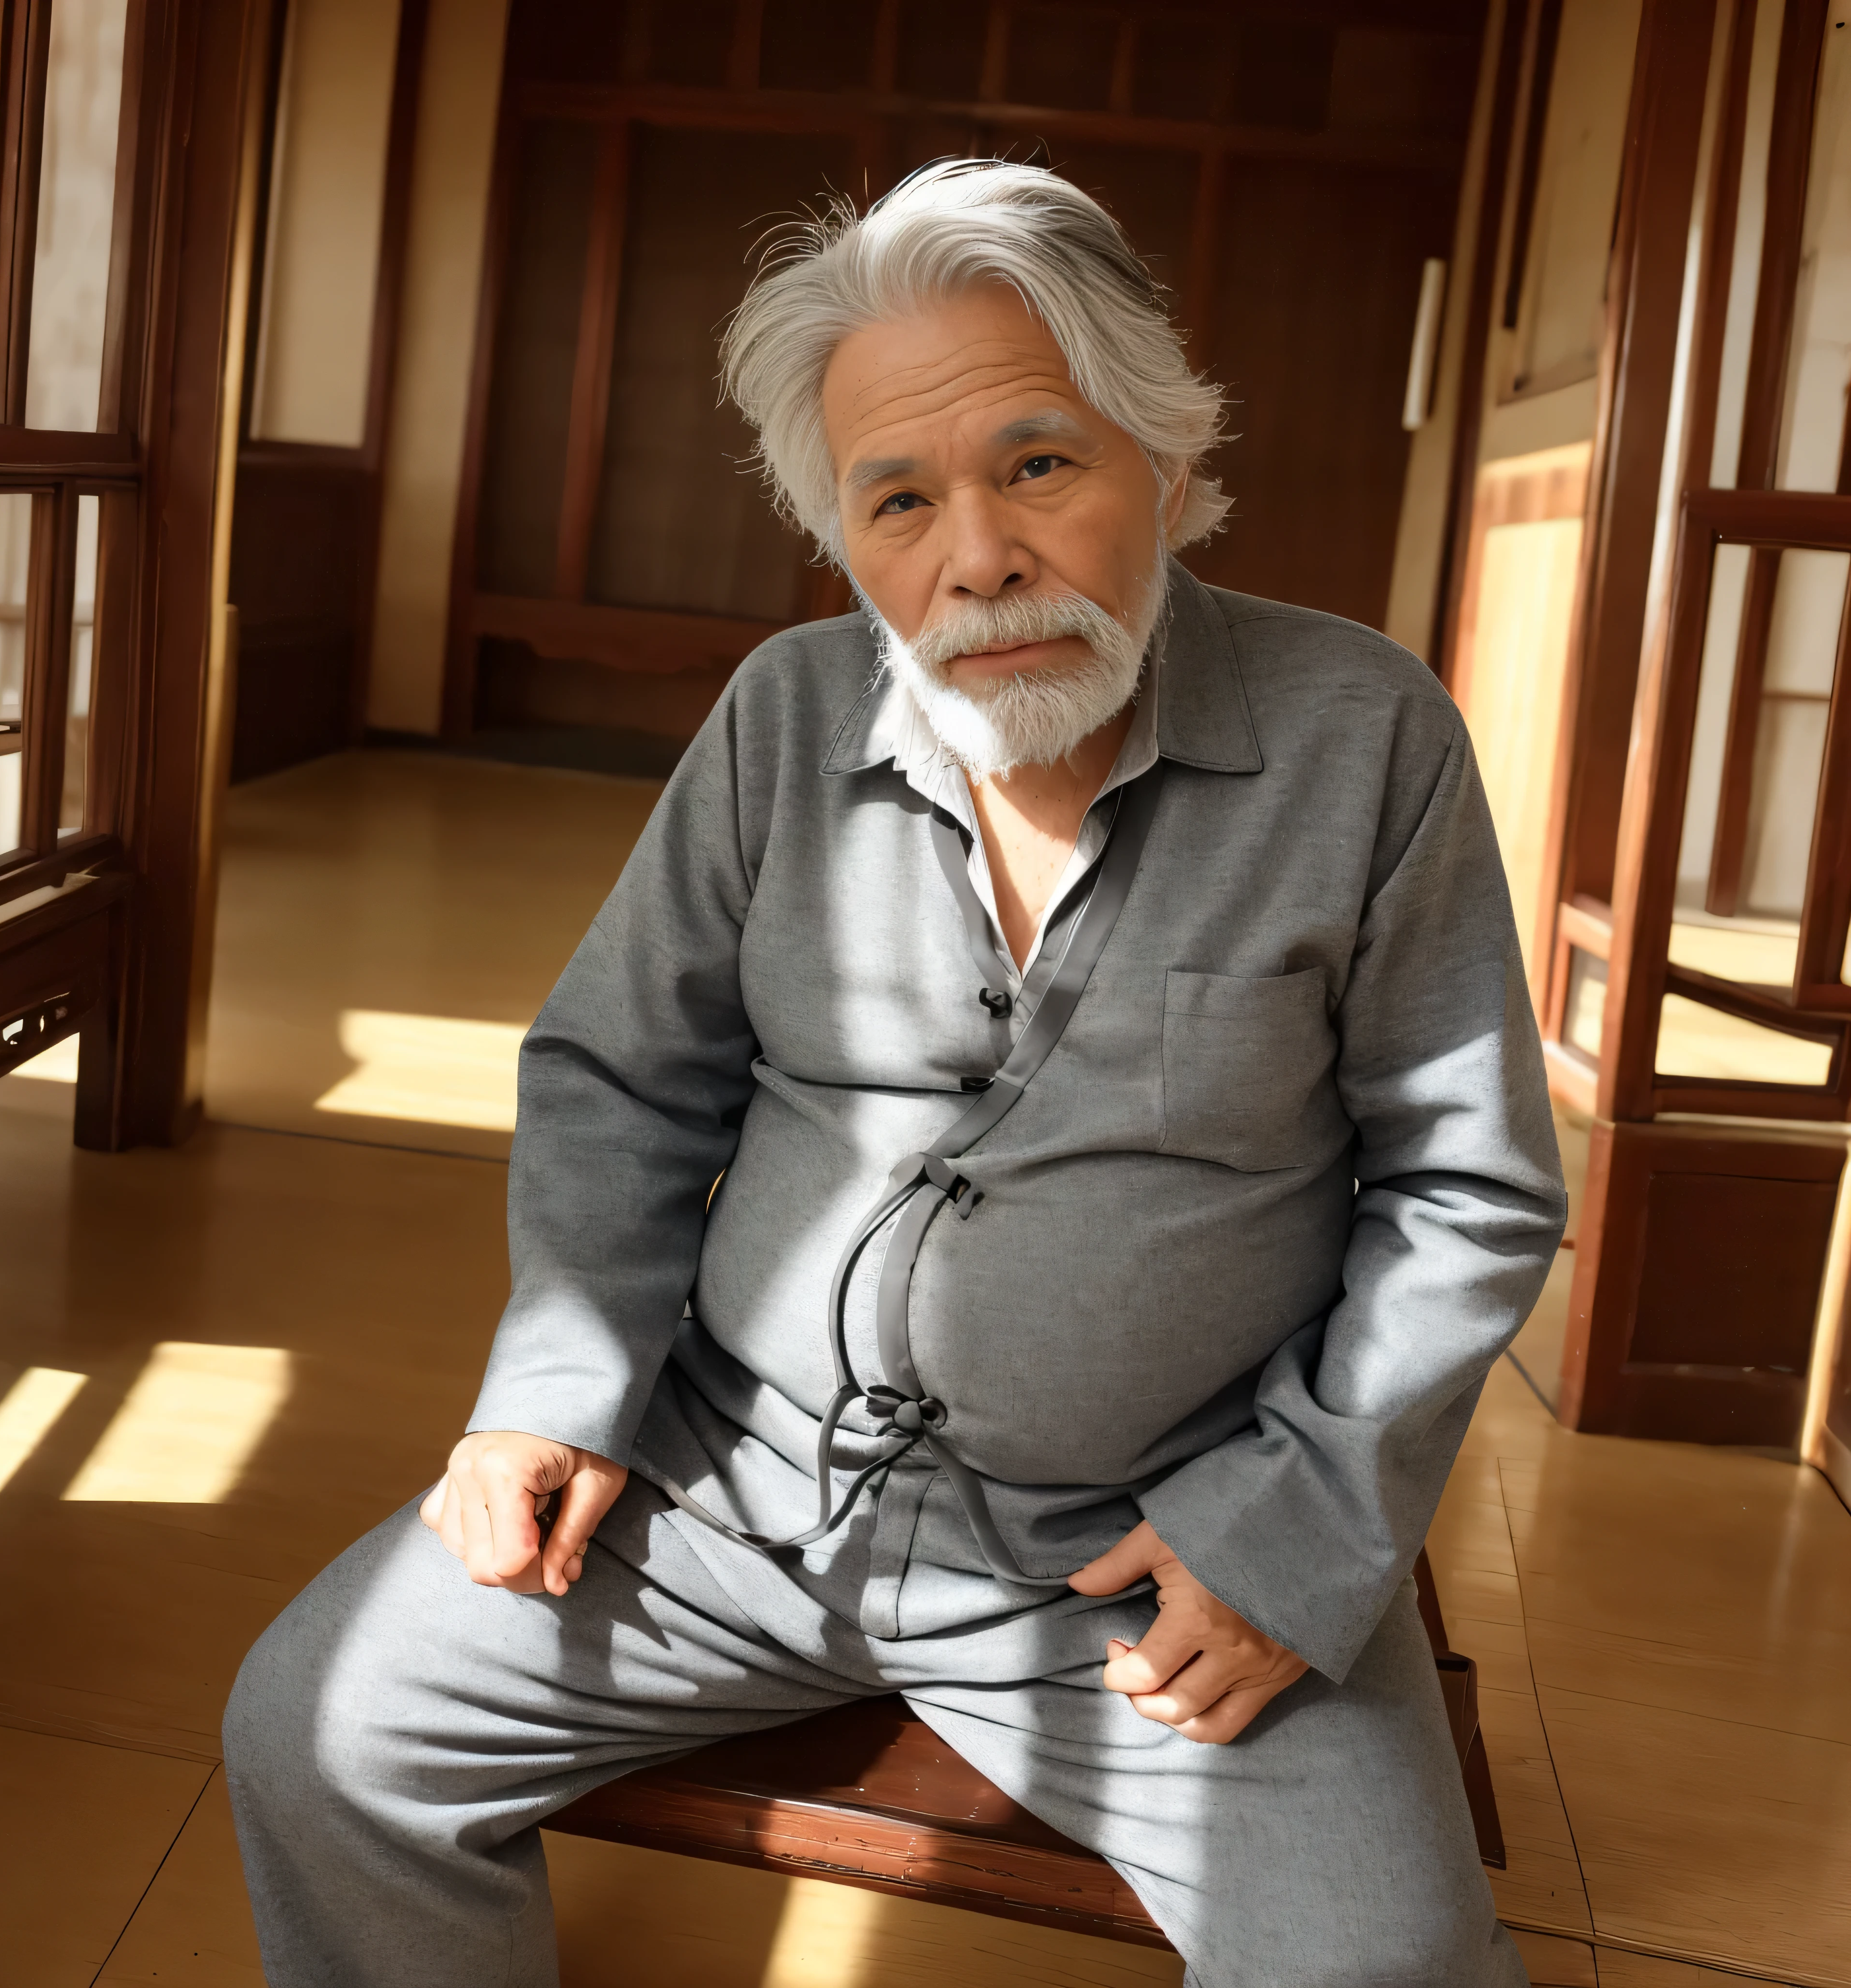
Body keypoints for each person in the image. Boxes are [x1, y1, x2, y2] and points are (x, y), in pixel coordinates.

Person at [224, 160, 1565, 1988]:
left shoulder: (1363, 737)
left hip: (1149, 1549)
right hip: (729, 1488)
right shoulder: (786, 717)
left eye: (1038, 463)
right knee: (326, 1734)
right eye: (899, 498)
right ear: (842, 533)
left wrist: (1299, 1526)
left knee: (1386, 1962)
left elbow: (1463, 1185)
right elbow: (620, 1073)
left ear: (1164, 464)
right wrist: (552, 1388)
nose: (977, 557)